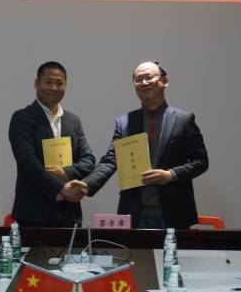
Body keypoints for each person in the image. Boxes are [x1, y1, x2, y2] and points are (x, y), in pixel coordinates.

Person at [80, 61, 209, 229]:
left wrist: (170, 175)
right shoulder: (125, 122)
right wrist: (87, 184)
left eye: (149, 77)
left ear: (164, 81)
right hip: (134, 214)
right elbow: (111, 160)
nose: (144, 83)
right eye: (138, 79)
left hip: (174, 213)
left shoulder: (184, 120)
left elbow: (201, 161)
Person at [8, 61, 96, 227]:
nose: (54, 88)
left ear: (66, 86)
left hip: (70, 213)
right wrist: (61, 188)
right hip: (33, 214)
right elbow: (28, 163)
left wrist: (65, 173)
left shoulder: (73, 120)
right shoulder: (22, 118)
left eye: (59, 83)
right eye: (48, 82)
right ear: (37, 83)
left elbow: (88, 159)